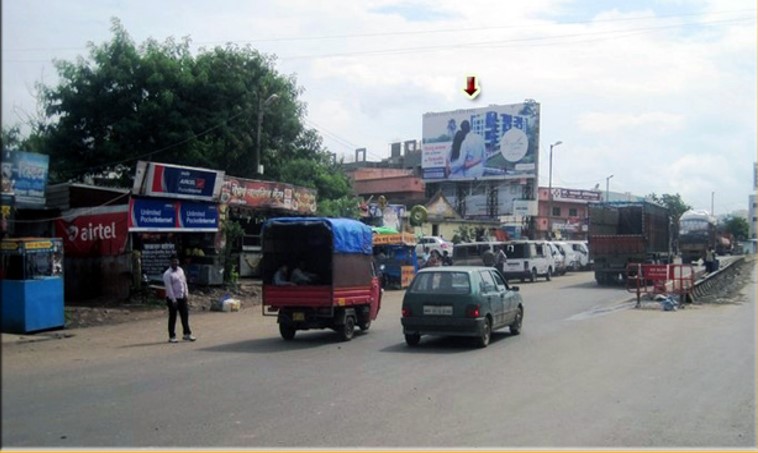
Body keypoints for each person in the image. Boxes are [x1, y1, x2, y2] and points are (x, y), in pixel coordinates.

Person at [162, 256, 196, 343]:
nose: (175, 263)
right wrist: (173, 300)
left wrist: (186, 294)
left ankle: (187, 334)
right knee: (173, 317)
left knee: (185, 316)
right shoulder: (167, 274)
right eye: (173, 262)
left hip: (182, 297)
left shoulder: (180, 270)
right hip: (173, 299)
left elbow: (184, 283)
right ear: (170, 263)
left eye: (176, 262)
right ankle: (172, 336)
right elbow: (169, 289)